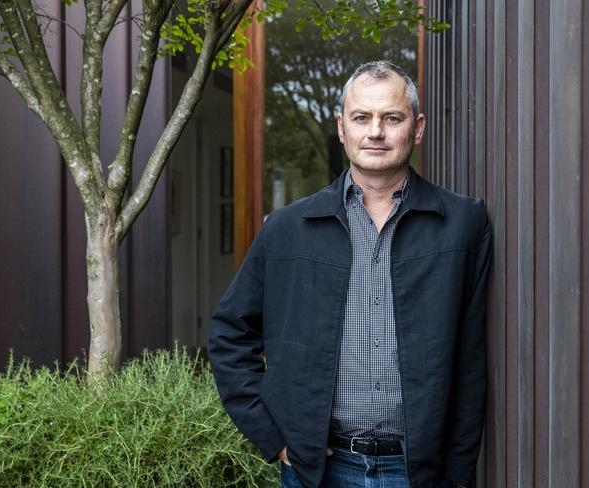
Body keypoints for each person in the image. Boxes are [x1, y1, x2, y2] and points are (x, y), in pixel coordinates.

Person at [208, 60, 492, 488]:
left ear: (417, 128)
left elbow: (472, 361)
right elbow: (229, 335)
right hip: (318, 470)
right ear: (342, 128)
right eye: (362, 117)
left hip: (419, 473)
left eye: (391, 118)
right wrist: (276, 437)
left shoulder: (463, 225)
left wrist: (457, 469)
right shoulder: (287, 230)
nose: (375, 131)